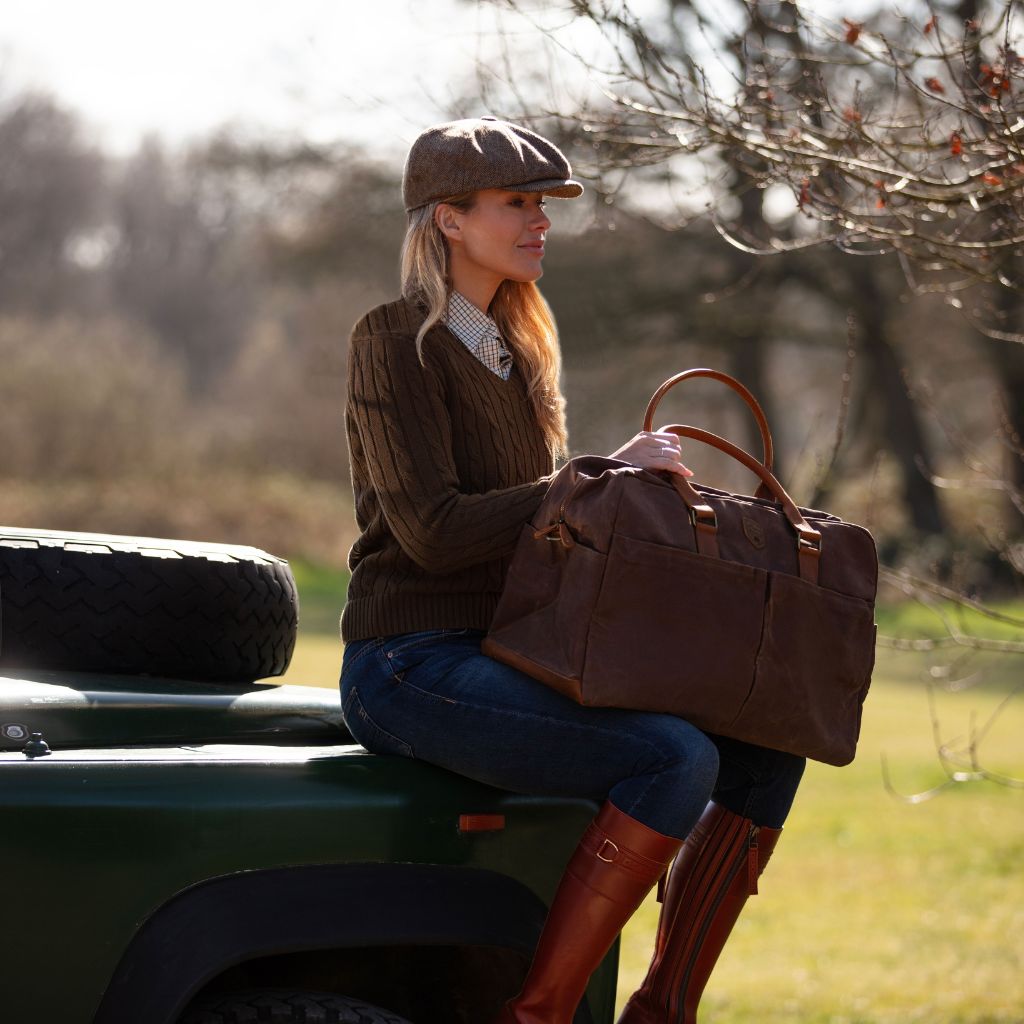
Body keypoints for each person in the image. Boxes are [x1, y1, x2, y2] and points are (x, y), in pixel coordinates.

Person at [339, 115, 805, 1024]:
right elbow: (432, 533)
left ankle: (663, 1007)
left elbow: (548, 524)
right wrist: (595, 476)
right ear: (448, 219)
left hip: (514, 650)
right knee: (672, 759)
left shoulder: (517, 350)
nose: (540, 222)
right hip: (410, 662)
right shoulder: (394, 340)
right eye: (518, 203)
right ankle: (541, 1013)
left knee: (771, 735)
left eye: (543, 205)